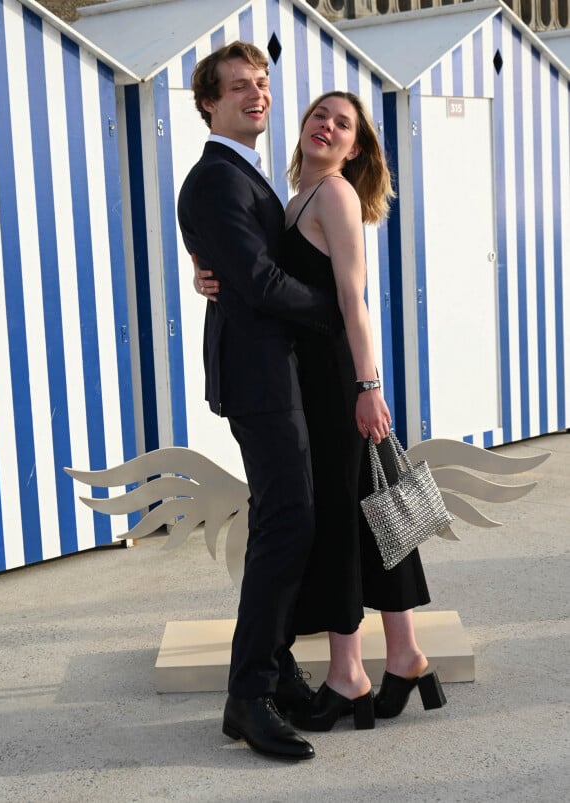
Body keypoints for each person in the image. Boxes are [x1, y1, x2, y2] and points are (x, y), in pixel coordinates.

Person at [195, 89, 447, 732]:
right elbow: (256, 267)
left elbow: (353, 299)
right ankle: (405, 657)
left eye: (343, 125)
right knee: (370, 512)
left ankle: (352, 672)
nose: (327, 127)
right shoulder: (293, 199)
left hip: (336, 378)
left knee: (346, 513)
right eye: (319, 116)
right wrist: (207, 270)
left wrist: (369, 385)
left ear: (355, 147)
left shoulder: (333, 194)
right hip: (311, 375)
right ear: (302, 125)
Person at [177, 42, 346, 761]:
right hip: (259, 379)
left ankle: (273, 669)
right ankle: (249, 694)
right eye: (239, 87)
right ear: (208, 103)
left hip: (275, 370)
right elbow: (261, 283)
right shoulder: (216, 180)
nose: (257, 95)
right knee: (287, 521)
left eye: (263, 84)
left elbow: (250, 266)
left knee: (290, 519)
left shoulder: (245, 176)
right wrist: (342, 303)